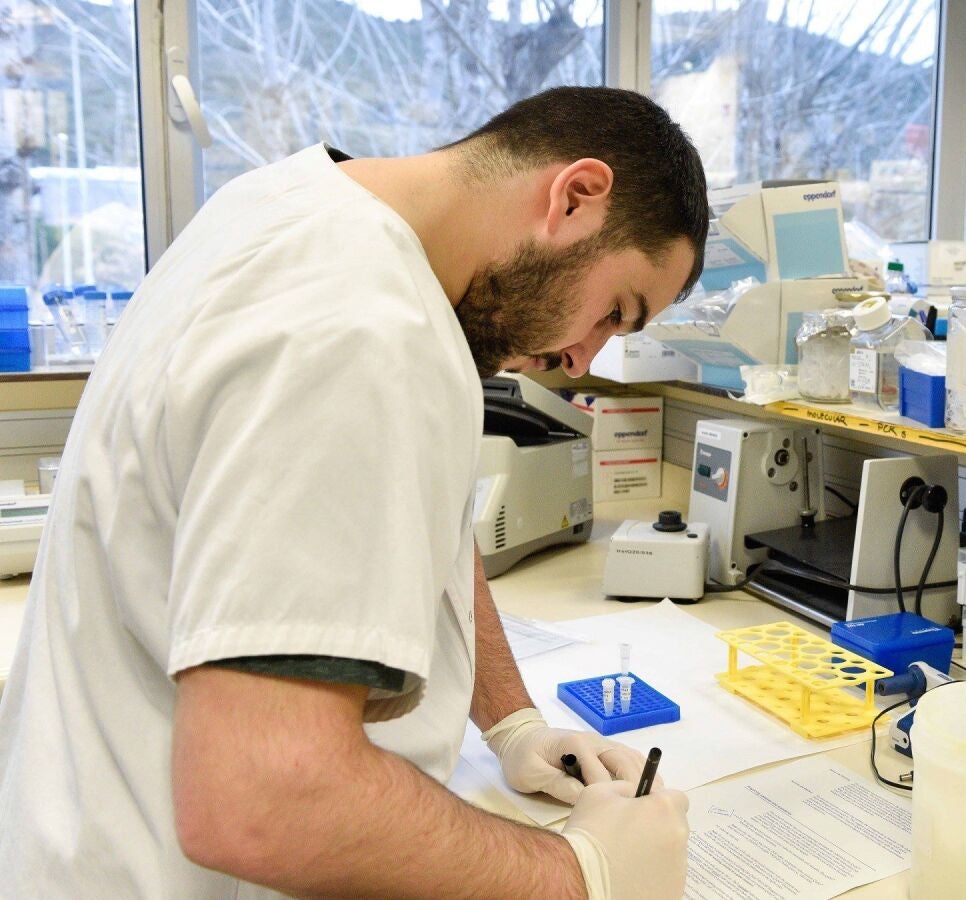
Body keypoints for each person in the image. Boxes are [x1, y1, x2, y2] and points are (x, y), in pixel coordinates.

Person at [0, 87, 708, 898]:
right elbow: (262, 800)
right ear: (575, 196)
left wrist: (512, 721)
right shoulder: (362, 327)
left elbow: (415, 526)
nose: (583, 359)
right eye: (614, 310)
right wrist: (581, 875)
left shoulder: (290, 205)